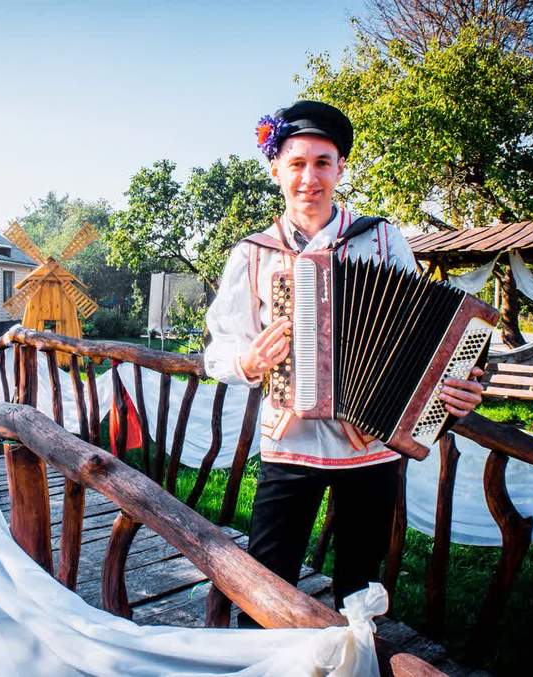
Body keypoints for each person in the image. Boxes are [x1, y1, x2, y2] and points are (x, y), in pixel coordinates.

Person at [203, 101, 484, 620]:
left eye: (323, 163)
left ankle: (354, 656)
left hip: (371, 447)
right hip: (290, 444)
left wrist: (460, 385)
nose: (309, 178)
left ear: (340, 169)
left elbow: (428, 332)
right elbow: (217, 348)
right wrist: (248, 360)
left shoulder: (381, 239)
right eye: (297, 163)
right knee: (267, 585)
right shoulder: (253, 253)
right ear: (276, 169)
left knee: (360, 585)